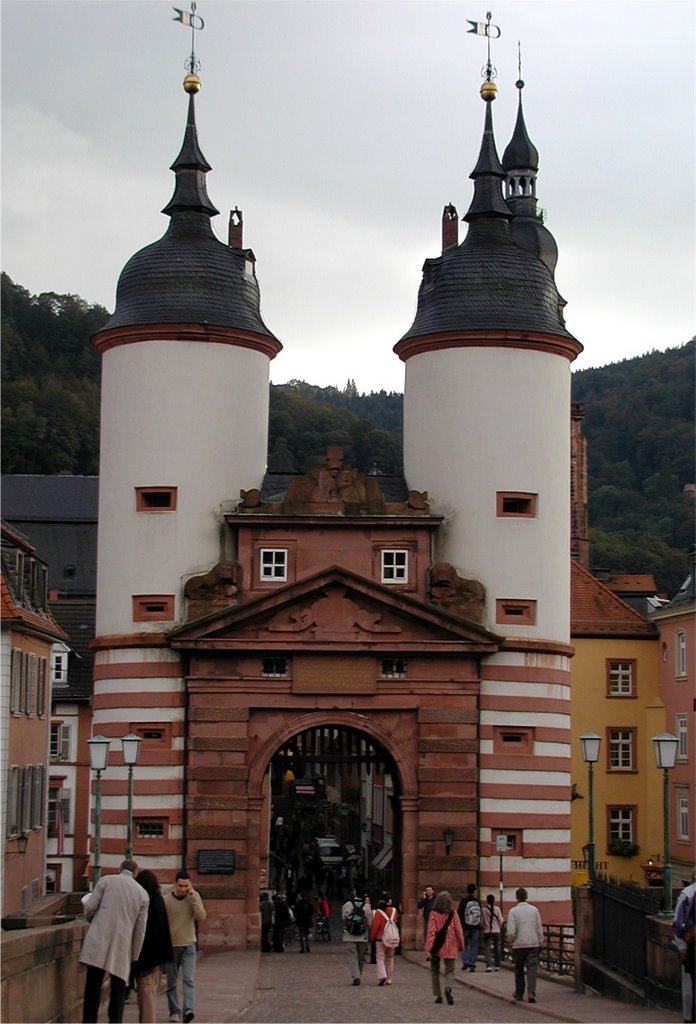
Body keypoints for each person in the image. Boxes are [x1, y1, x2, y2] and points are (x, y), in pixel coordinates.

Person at [80, 858, 149, 1024]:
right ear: (135, 872)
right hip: (122, 942)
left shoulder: (106, 881)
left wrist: (92, 920)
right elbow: (140, 929)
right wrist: (134, 954)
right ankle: (115, 1020)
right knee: (118, 987)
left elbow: (90, 907)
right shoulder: (142, 894)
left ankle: (89, 1020)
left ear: (120, 868)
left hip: (99, 937)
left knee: (93, 985)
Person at [164, 870, 206, 1024]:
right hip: (172, 946)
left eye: (186, 886)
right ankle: (174, 1012)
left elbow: (201, 916)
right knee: (171, 982)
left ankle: (188, 1010)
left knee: (189, 980)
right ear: (175, 884)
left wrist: (193, 898)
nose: (183, 889)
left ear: (190, 885)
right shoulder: (167, 900)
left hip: (189, 945)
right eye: (180, 885)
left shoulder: (193, 897)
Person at [132, 870, 174, 1023]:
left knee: (146, 995)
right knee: (148, 995)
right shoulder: (159, 899)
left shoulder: (146, 901)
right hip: (157, 957)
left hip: (146, 957)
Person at [424, 890, 464, 1006]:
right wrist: (461, 945)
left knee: (435, 970)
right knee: (450, 970)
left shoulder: (433, 914)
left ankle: (438, 995)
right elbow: (459, 931)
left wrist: (428, 948)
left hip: (436, 946)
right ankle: (448, 987)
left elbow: (431, 932)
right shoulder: (453, 914)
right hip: (450, 945)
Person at [506, 886, 543, 1004]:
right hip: (533, 942)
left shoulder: (513, 911)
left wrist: (510, 941)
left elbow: (511, 931)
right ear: (526, 897)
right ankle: (531, 992)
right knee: (532, 968)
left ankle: (519, 992)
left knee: (519, 969)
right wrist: (540, 940)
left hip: (519, 944)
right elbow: (539, 927)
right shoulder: (534, 910)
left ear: (517, 897)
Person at [674, 866, 696, 1024]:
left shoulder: (688, 893)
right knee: (690, 984)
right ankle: (688, 1017)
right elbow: (678, 922)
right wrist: (681, 945)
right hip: (692, 945)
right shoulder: (688, 894)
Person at [342, 888, 373, 985]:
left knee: (352, 956)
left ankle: (356, 976)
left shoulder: (348, 904)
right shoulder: (367, 907)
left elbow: (344, 917)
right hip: (362, 936)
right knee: (361, 957)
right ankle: (358, 974)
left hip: (349, 935)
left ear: (354, 893)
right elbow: (370, 922)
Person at [369, 894, 399, 986]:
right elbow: (396, 922)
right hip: (391, 937)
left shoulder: (378, 912)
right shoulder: (394, 911)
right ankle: (389, 978)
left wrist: (372, 937)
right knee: (390, 958)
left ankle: (382, 976)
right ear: (389, 901)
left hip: (380, 938)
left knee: (380, 958)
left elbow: (375, 926)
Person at [457, 882, 482, 971]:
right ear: (475, 891)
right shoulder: (478, 901)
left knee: (463, 945)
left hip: (465, 927)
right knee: (474, 945)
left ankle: (465, 961)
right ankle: (472, 964)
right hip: (476, 927)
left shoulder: (464, 901)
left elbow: (459, 914)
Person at [481, 893, 504, 972]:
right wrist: (499, 927)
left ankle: (488, 965)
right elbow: (501, 920)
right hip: (496, 930)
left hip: (487, 931)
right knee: (496, 947)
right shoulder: (497, 909)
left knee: (487, 948)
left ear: (487, 901)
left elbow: (481, 921)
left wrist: (484, 927)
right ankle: (497, 964)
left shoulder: (483, 910)